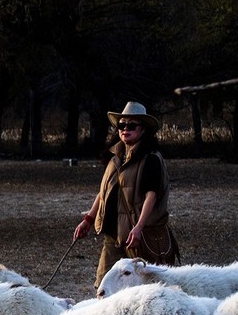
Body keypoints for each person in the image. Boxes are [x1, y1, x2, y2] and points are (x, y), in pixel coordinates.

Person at [73, 101, 179, 288]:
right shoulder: (115, 157)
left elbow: (151, 197)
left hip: (139, 236)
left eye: (131, 126)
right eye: (121, 125)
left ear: (143, 129)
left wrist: (138, 227)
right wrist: (88, 220)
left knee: (146, 289)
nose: (125, 129)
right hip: (114, 234)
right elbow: (104, 192)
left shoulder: (151, 158)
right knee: (104, 287)